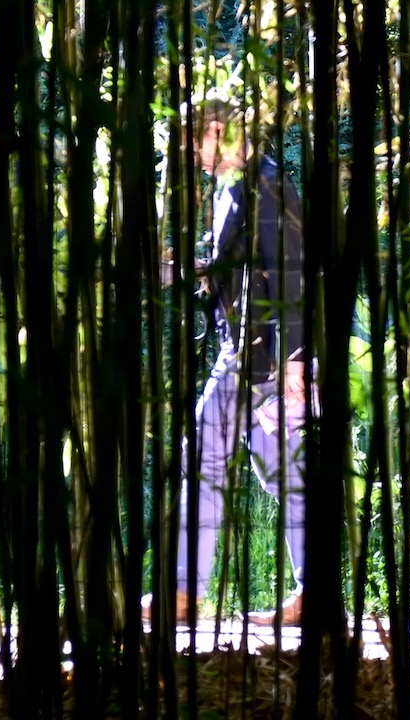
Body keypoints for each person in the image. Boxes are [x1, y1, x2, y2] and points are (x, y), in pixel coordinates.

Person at [142, 96, 310, 627]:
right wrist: (191, 272)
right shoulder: (232, 189)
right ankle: (312, 592)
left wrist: (295, 359)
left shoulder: (268, 186)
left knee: (208, 461)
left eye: (194, 147)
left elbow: (290, 275)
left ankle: (183, 594)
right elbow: (240, 270)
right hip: (245, 352)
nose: (194, 160)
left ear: (217, 130)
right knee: (283, 473)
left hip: (264, 358)